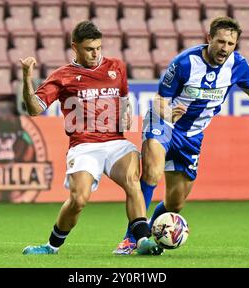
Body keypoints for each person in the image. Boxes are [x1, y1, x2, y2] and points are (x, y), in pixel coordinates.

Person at [114, 16, 249, 255]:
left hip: (193, 135)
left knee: (176, 203)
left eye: (230, 44)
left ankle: (151, 231)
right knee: (152, 171)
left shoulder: (238, 65)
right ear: (209, 39)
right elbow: (159, 99)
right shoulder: (184, 62)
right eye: (221, 42)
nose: (225, 48)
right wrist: (169, 114)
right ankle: (133, 239)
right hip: (163, 121)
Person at [20, 21, 162, 255]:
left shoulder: (116, 66)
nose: (95, 54)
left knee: (132, 180)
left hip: (116, 143)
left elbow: (124, 95)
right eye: (89, 49)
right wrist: (27, 78)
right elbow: (35, 109)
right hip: (83, 146)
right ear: (74, 48)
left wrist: (125, 112)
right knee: (79, 199)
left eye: (98, 48)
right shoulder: (62, 76)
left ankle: (142, 240)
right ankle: (51, 246)